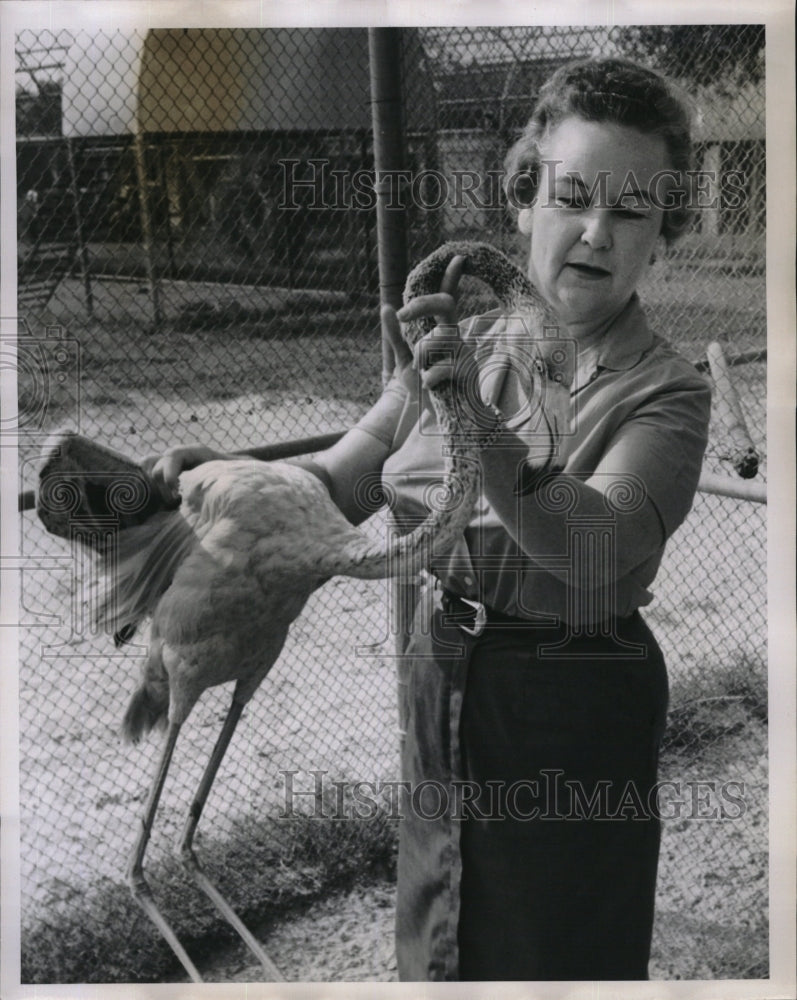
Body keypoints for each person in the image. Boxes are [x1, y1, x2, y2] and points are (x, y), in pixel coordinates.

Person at [147, 57, 711, 982]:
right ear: (524, 201)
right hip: (442, 667)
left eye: (633, 211)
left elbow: (588, 545)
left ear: (662, 236)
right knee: (441, 938)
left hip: (569, 703)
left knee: (548, 955)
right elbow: (339, 483)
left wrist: (476, 427)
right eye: (571, 196)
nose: (597, 233)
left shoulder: (667, 396)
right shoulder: (458, 349)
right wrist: (225, 474)